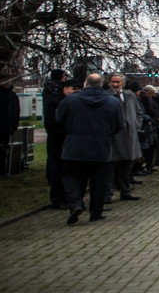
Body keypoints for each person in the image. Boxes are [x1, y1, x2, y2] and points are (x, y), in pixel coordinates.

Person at [57, 73, 124, 225]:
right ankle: (96, 213)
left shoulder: (70, 100)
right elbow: (120, 124)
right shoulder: (113, 103)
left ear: (85, 84)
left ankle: (75, 204)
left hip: (74, 147)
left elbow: (59, 119)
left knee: (71, 177)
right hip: (101, 148)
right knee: (99, 181)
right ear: (102, 85)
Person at [105, 73, 143, 202]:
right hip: (113, 136)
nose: (115, 84)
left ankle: (125, 191)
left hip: (129, 135)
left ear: (122, 83)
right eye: (113, 82)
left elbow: (139, 112)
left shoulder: (130, 96)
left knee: (126, 166)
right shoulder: (106, 96)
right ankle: (107, 194)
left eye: (117, 82)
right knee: (111, 167)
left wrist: (136, 124)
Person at [41, 69, 70, 207]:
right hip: (57, 137)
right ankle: (58, 198)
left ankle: (60, 196)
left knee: (56, 165)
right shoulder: (55, 95)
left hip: (55, 137)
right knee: (58, 167)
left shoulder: (49, 91)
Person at [138, 85, 159, 174]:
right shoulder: (146, 101)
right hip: (149, 127)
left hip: (150, 126)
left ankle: (148, 166)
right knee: (149, 147)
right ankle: (147, 166)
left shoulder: (147, 100)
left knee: (149, 147)